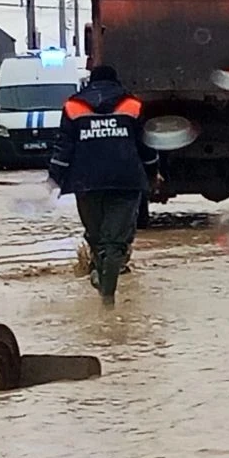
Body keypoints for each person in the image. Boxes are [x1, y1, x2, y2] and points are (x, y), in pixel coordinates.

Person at [48, 65, 162, 306]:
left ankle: (105, 295)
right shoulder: (132, 104)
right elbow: (146, 146)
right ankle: (106, 295)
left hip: (86, 182)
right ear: (116, 81)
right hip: (125, 181)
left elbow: (64, 147)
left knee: (97, 238)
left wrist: (54, 179)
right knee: (114, 243)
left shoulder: (73, 106)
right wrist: (153, 174)